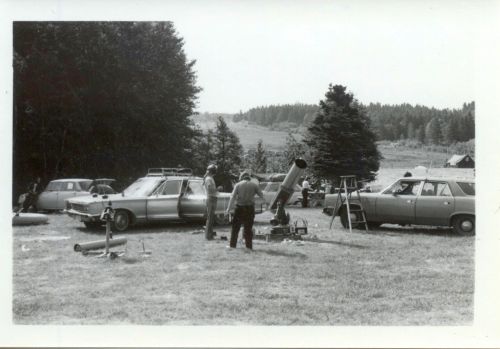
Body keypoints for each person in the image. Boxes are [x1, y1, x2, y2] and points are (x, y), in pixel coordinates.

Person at [225, 171, 266, 250]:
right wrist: (255, 202)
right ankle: (249, 246)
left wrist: (228, 209)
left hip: (239, 207)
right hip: (250, 208)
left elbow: (232, 197)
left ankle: (232, 245)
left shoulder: (238, 185)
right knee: (248, 228)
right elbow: (262, 197)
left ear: (241, 178)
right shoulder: (254, 185)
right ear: (249, 178)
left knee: (235, 228)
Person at [203, 164, 218, 240]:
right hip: (211, 198)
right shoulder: (209, 179)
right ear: (213, 171)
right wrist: (218, 189)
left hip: (212, 198)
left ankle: (210, 235)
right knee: (210, 218)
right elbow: (210, 189)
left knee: (211, 218)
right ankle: (208, 236)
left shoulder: (210, 178)